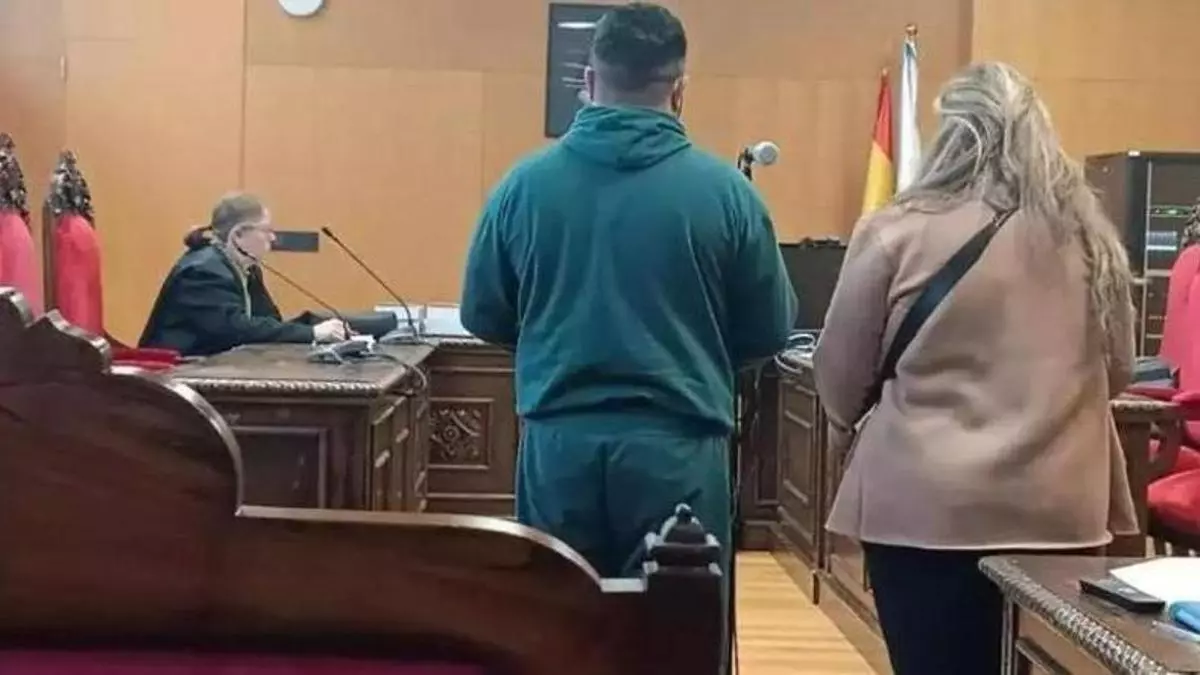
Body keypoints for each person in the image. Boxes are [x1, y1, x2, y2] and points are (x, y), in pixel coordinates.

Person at [814, 62, 1138, 674]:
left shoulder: (896, 231)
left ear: (952, 136)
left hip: (923, 513)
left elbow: (839, 374)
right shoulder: (1091, 240)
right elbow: (1119, 369)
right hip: (1059, 513)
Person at [460, 2, 796, 583]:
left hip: (559, 448)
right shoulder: (728, 195)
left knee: (556, 622)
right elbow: (768, 330)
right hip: (680, 451)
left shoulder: (522, 188)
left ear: (589, 82)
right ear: (679, 91)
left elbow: (483, 313)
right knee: (679, 625)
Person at [139, 192, 346, 356]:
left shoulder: (246, 267)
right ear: (238, 234)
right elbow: (235, 330)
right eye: (266, 230)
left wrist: (312, 327)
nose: (273, 238)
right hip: (175, 376)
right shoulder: (203, 271)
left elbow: (268, 322)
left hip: (215, 369)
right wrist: (312, 333)